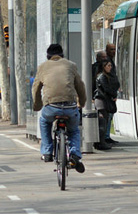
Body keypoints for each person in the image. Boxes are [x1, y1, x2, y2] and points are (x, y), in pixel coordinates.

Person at [31, 43, 87, 173]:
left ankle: (47, 152)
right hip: (70, 107)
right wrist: (81, 103)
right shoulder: (70, 65)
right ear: (62, 55)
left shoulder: (42, 67)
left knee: (44, 122)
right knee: (74, 130)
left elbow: (36, 89)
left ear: (48, 56)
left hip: (51, 107)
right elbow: (80, 86)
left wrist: (37, 105)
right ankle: (75, 154)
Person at [94, 59, 119, 151]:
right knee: (102, 122)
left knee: (105, 121)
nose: (110, 67)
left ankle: (101, 141)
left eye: (110, 66)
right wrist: (114, 95)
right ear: (104, 67)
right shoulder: (102, 77)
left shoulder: (107, 76)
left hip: (105, 101)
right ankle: (101, 142)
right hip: (102, 101)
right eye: (108, 66)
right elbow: (107, 89)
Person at [103, 43, 119, 145]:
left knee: (110, 115)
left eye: (114, 49)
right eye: (112, 49)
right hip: (108, 95)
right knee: (108, 115)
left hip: (111, 93)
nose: (114, 51)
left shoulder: (111, 61)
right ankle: (106, 136)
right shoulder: (108, 61)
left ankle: (107, 135)